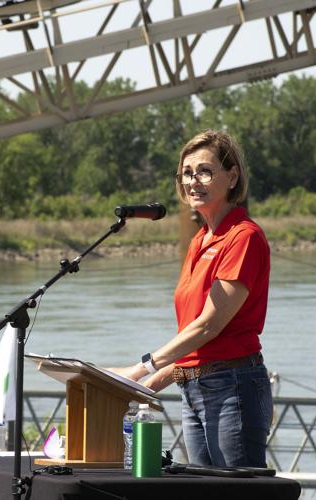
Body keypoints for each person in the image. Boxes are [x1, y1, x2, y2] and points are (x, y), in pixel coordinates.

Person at [111, 130, 272, 468]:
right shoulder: (200, 241)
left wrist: (140, 369)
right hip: (193, 390)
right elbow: (194, 342)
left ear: (232, 176)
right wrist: (146, 385)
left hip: (232, 391)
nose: (192, 181)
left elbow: (208, 327)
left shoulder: (244, 237)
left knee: (234, 497)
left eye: (204, 171)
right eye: (186, 172)